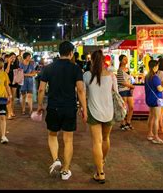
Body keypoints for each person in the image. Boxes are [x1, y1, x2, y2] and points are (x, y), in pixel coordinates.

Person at [37, 41, 87, 181]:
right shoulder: (75, 68)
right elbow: (81, 90)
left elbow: (41, 89)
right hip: (69, 107)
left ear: (59, 52)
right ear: (71, 53)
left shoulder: (48, 68)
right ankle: (65, 170)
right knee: (68, 139)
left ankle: (56, 159)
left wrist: (40, 105)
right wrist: (84, 108)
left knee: (52, 135)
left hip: (53, 107)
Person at [83, 50, 116, 184]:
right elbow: (116, 92)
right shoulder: (111, 75)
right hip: (109, 111)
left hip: (93, 111)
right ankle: (102, 160)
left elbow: (83, 94)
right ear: (103, 61)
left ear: (91, 60)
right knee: (106, 138)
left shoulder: (86, 75)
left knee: (97, 141)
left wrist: (83, 109)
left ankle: (100, 172)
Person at [145, 59, 163, 144]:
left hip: (149, 99)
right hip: (156, 100)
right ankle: (156, 137)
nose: (157, 67)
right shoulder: (155, 77)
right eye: (157, 66)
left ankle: (150, 134)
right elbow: (159, 89)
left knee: (151, 117)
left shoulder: (147, 77)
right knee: (156, 118)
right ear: (154, 67)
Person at [116, 55, 135, 130]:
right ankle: (122, 123)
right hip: (123, 90)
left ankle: (128, 121)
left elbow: (130, 79)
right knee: (123, 107)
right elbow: (121, 82)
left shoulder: (128, 69)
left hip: (128, 89)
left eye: (126, 59)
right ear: (120, 61)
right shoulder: (119, 70)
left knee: (131, 107)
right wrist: (131, 86)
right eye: (124, 59)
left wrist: (131, 86)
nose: (126, 61)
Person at [5, 53, 20, 119]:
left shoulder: (17, 65)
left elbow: (19, 74)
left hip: (14, 82)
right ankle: (9, 112)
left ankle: (11, 111)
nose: (13, 58)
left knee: (13, 98)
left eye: (14, 57)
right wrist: (9, 63)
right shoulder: (5, 64)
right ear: (9, 58)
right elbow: (6, 72)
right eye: (11, 57)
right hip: (8, 82)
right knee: (9, 97)